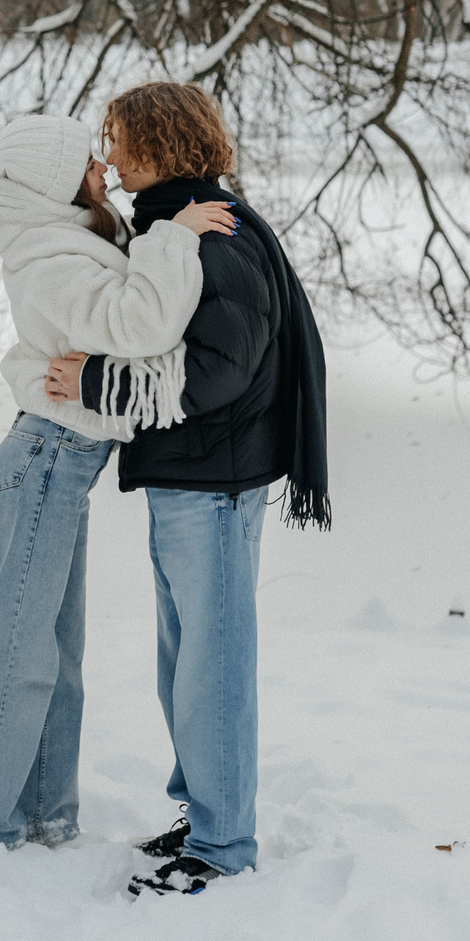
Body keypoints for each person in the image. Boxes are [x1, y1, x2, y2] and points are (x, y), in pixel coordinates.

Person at [43, 82, 329, 897]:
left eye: (121, 136)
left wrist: (99, 381)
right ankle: (202, 815)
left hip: (215, 483)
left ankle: (223, 844)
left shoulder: (219, 235)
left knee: (214, 665)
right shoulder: (176, 226)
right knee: (186, 663)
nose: (111, 150)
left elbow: (217, 371)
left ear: (161, 142)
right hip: (192, 479)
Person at [0, 113, 237, 851]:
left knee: (54, 650)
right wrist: (175, 234)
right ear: (56, 182)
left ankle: (43, 815)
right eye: (87, 162)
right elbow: (141, 324)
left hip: (60, 464)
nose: (104, 167)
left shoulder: (71, 240)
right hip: (46, 456)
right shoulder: (49, 254)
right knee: (19, 649)